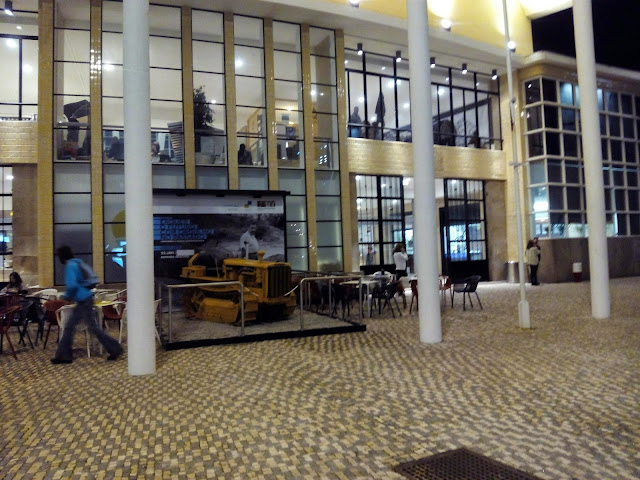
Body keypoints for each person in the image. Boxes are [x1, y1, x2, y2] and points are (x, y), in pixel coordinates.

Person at [51, 246, 123, 364]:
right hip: (86, 298)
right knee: (75, 327)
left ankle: (115, 348)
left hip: (82, 300)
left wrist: (67, 297)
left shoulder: (70, 266)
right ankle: (64, 355)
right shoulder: (78, 263)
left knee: (77, 327)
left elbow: (72, 285)